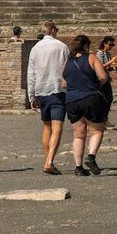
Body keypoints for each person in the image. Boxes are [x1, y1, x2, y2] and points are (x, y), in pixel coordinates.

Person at [62, 34, 109, 177]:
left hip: (71, 101)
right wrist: (94, 84)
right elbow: (103, 77)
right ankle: (91, 156)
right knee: (96, 131)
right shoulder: (91, 57)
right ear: (86, 46)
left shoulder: (68, 61)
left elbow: (63, 83)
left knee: (78, 135)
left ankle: (78, 167)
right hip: (90, 97)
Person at [27, 20, 69, 175]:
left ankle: (48, 160)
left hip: (40, 90)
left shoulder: (35, 48)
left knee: (46, 127)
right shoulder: (62, 47)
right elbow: (67, 69)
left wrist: (31, 96)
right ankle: (49, 161)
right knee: (57, 127)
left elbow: (31, 73)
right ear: (52, 30)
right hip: (57, 90)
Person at [95, 36, 117, 125]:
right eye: (110, 44)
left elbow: (107, 68)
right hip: (100, 79)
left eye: (113, 45)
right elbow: (100, 66)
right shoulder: (100, 54)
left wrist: (115, 68)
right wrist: (111, 61)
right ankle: (100, 120)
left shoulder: (108, 54)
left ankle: (105, 118)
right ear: (105, 44)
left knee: (109, 98)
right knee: (102, 99)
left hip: (106, 78)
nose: (111, 46)